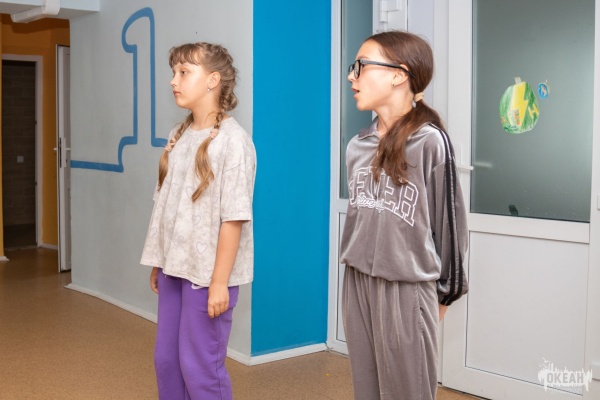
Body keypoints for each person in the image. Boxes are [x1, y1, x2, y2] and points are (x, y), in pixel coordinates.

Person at [339, 31, 468, 400]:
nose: (351, 76)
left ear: (398, 74)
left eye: (360, 66)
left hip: (407, 289)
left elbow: (451, 226)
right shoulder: (357, 145)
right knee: (367, 390)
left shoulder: (430, 142)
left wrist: (443, 295)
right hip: (358, 284)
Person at [140, 42, 256, 400]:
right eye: (173, 72)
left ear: (212, 80)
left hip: (208, 277)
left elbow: (233, 218)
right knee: (167, 361)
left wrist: (219, 283)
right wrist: (160, 260)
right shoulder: (178, 135)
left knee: (199, 367)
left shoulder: (233, 142)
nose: (173, 81)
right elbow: (167, 206)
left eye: (184, 72)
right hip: (175, 268)